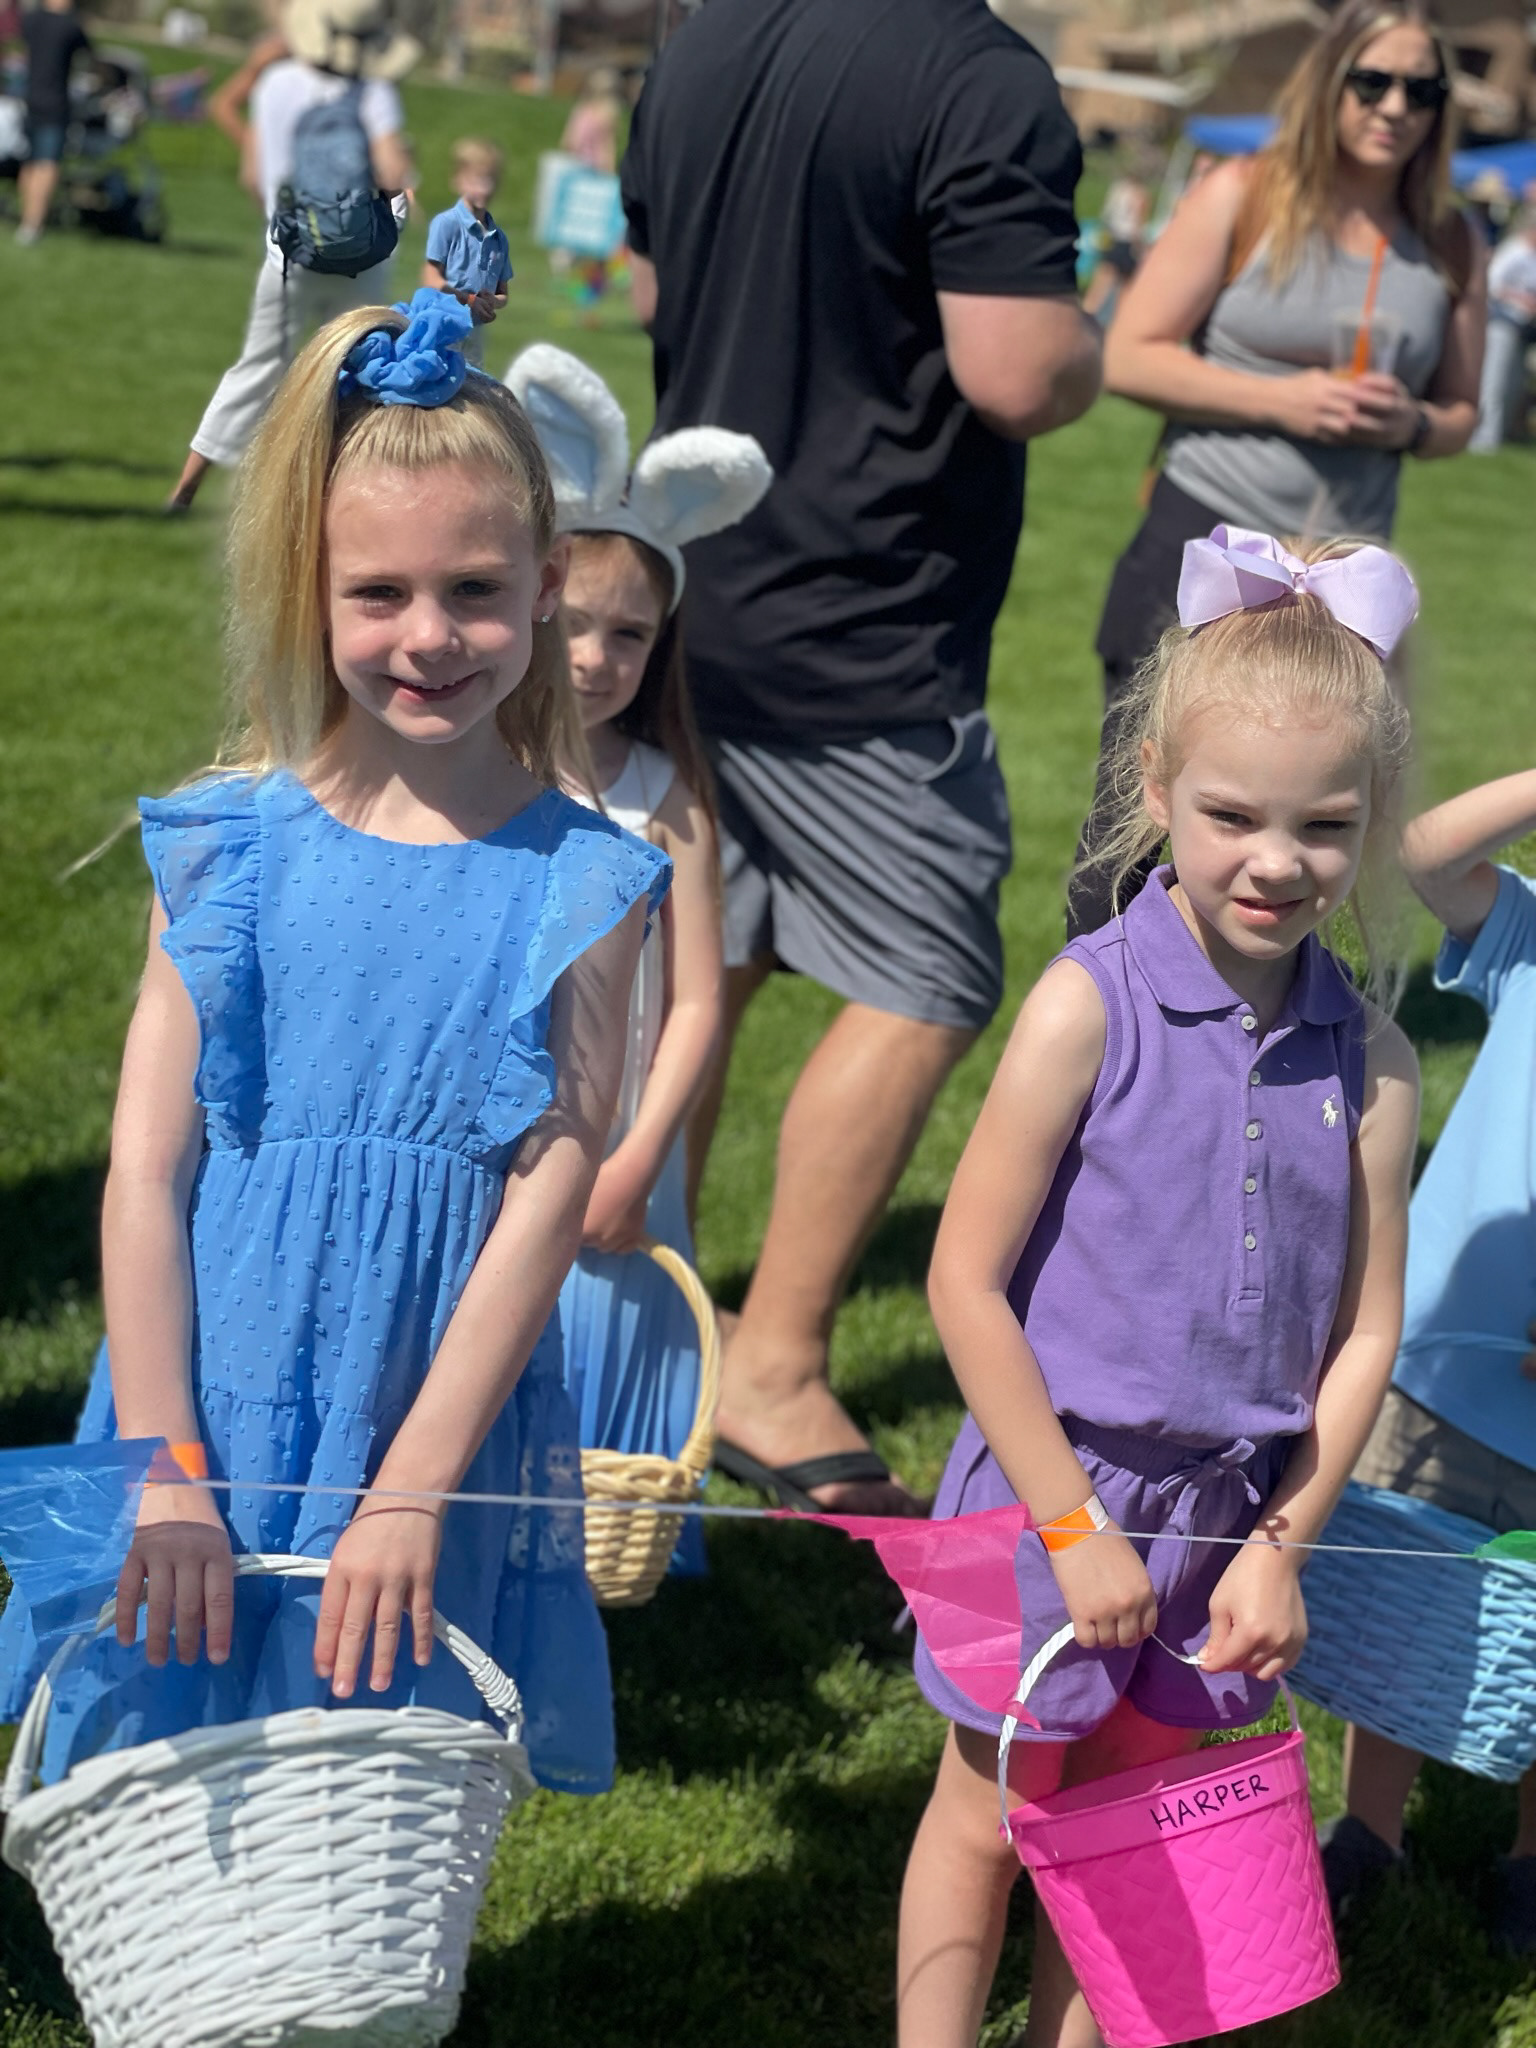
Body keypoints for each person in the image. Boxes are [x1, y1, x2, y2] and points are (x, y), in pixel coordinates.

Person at [0, 293, 670, 1797]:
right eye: (378, 592)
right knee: (166, 1789)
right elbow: (145, 1170)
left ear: (548, 585)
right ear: (310, 591)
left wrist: (415, 1486)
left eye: (475, 590)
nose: (429, 636)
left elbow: (552, 1190)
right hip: (205, 1392)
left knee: (367, 1805)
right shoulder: (225, 848)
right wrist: (166, 1462)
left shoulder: (587, 882)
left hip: (425, 1412)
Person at [897, 527, 1422, 2048]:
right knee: (994, 1816)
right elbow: (964, 1281)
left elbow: (1365, 1329)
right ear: (1155, 792)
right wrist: (1072, 1529)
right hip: (1043, 1490)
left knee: (1132, 1829)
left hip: (1231, 1519)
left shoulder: (1375, 1062)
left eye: (1325, 826)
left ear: (1372, 820)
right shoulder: (1088, 1006)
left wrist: (1278, 1548)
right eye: (1232, 815)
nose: (1277, 860)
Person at [619, 0, 1101, 1515]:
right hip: (866, 623)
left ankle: (633, 1334)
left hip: (687, 584)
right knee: (929, 977)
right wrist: (1089, 344)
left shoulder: (703, 41)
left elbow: (651, 286)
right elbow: (1016, 371)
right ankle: (769, 1367)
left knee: (712, 959)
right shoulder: (979, 76)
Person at [1071, 0, 1487, 938]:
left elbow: (1462, 414)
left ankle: (1258, 1024)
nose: (1395, 107)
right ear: (1330, 80)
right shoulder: (1247, 193)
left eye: (1421, 90)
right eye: (1372, 81)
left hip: (1340, 581)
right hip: (1209, 539)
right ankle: (1098, 1013)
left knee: (1298, 837)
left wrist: (1414, 420)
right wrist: (1283, 400)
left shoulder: (1449, 239)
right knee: (1144, 821)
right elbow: (1129, 353)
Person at [507, 342, 769, 1570]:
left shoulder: (668, 797)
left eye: (630, 633)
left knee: (594, 1305)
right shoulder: (484, 775)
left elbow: (701, 998)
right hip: (490, 1113)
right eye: (574, 623)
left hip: (615, 1128)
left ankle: (585, 1531)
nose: (596, 658)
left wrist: (645, 1149)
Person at [1321, 768, 1536, 1949]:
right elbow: (1423, 854)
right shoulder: (1534, 935)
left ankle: (1530, 1855)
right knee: (1402, 1598)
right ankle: (1371, 1829)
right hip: (1442, 1368)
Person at [165, 0, 418, 512]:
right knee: (363, 370)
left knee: (257, 368)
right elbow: (394, 175)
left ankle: (185, 489)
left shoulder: (277, 84)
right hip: (362, 258)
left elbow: (253, 176)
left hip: (290, 253)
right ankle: (347, 497)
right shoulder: (374, 93)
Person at [423, 138, 512, 370]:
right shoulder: (447, 224)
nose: (482, 188)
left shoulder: (498, 238)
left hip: (475, 332)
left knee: (473, 386)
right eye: (474, 180)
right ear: (457, 180)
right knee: (439, 384)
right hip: (443, 325)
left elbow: (503, 294)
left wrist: (493, 301)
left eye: (488, 180)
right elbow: (431, 280)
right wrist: (470, 300)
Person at [15, 0, 91, 246]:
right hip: (55, 103)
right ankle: (33, 224)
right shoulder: (70, 26)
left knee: (30, 162)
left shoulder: (31, 20)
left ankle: (25, 218)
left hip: (29, 99)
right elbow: (89, 57)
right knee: (47, 164)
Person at [1470, 204, 1536, 451]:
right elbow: (1491, 283)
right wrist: (1520, 299)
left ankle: (1504, 432)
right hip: (1501, 322)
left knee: (1514, 383)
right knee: (1494, 381)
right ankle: (1484, 438)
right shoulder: (1515, 251)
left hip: (1523, 328)